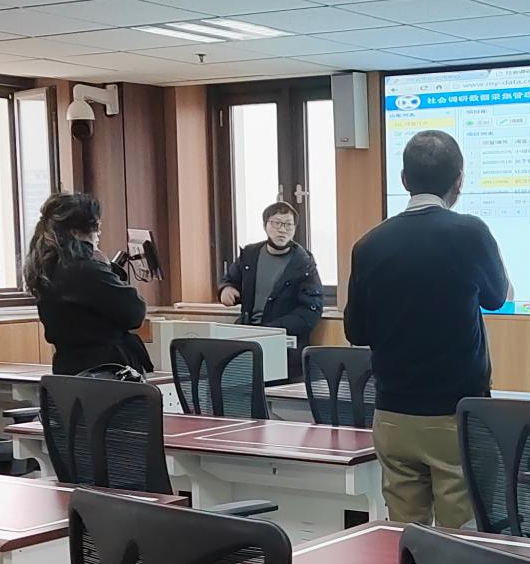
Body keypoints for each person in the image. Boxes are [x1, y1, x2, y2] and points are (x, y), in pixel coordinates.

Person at [343, 129, 509, 527]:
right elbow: (496, 297)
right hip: (455, 413)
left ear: (404, 179)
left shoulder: (369, 245)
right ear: (459, 180)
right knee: (461, 537)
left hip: (392, 415)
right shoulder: (470, 232)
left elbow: (356, 331)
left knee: (405, 534)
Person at [22, 192, 154, 377]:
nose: (99, 233)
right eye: (96, 226)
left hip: (68, 369)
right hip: (106, 370)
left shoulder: (45, 268)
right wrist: (105, 267)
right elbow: (134, 312)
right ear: (75, 232)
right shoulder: (85, 269)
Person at [218, 200, 324, 381]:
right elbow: (230, 279)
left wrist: (271, 330)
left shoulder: (303, 262)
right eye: (276, 223)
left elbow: (310, 312)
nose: (282, 230)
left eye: (288, 225)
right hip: (247, 339)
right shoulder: (250, 254)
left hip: (285, 347)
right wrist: (226, 289)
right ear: (265, 225)